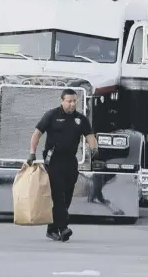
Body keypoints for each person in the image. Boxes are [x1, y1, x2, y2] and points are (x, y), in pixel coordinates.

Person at [26, 88, 99, 242]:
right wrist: (32, 153)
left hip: (70, 160)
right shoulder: (52, 115)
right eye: (69, 101)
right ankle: (63, 227)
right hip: (53, 159)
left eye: (74, 101)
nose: (72, 104)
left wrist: (94, 149)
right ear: (62, 101)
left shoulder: (81, 119)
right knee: (58, 194)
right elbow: (37, 133)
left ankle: (51, 229)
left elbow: (90, 136)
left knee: (67, 197)